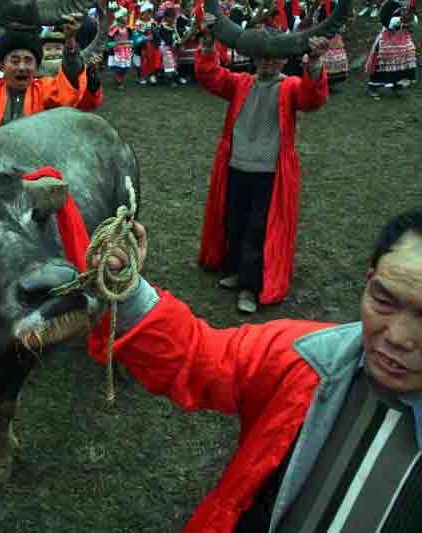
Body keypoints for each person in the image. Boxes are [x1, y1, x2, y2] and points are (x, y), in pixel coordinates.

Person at [88, 207, 422, 532]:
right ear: (369, 281)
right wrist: (130, 290)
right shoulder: (308, 356)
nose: (397, 337)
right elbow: (202, 356)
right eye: (384, 300)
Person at [195, 13, 329, 313]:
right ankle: (234, 271)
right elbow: (210, 77)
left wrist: (316, 64)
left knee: (258, 229)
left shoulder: (291, 86)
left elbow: (312, 99)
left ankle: (249, 288)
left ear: (284, 60)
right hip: (236, 167)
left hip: (270, 172)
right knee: (234, 221)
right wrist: (207, 45)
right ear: (254, 59)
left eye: (275, 58)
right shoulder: (241, 83)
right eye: (262, 58)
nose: (268, 63)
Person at [0, 9, 86, 129]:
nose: (22, 67)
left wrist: (70, 42)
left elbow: (69, 89)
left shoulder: (45, 91)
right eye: (15, 60)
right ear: (1, 66)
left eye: (28, 60)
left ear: (36, 66)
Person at [366, 0, 418, 100]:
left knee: (407, 56)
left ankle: (398, 85)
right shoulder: (390, 3)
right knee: (384, 57)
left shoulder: (410, 3)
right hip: (388, 36)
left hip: (403, 37)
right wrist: (398, 20)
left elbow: (414, 17)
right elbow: (384, 19)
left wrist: (411, 20)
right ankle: (373, 87)